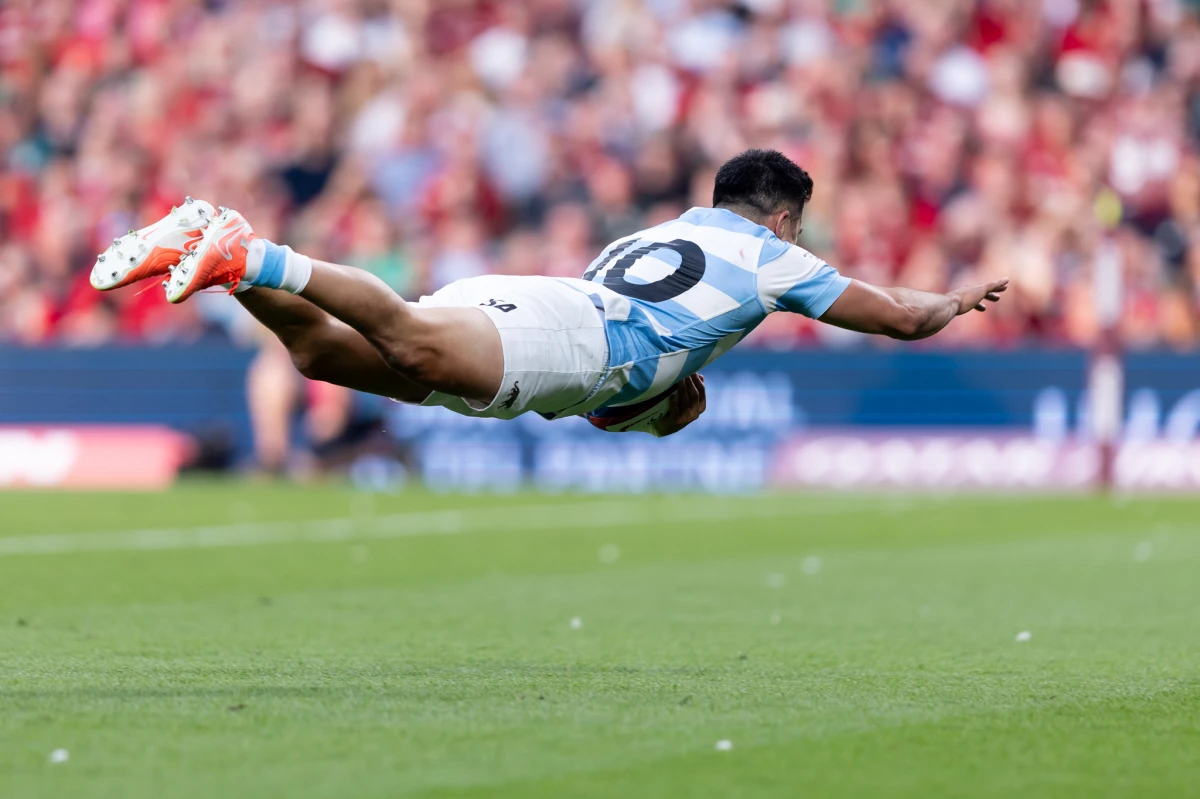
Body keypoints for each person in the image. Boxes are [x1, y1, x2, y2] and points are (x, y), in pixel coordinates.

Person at [92, 150, 1007, 436]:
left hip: (550, 315)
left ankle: (218, 253)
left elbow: (607, 414)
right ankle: (252, 253)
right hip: (578, 339)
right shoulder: (772, 257)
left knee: (322, 353)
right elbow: (899, 316)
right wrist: (953, 302)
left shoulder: (663, 230)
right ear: (782, 219)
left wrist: (660, 402)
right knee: (408, 337)